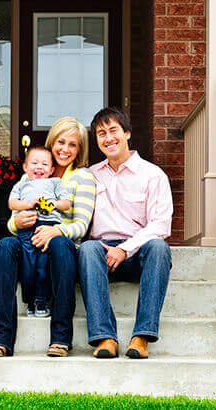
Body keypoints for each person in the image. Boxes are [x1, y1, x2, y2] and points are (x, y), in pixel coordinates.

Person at [0, 117, 95, 358]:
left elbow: (82, 226)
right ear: (52, 142)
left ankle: (60, 338)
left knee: (58, 243)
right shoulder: (33, 175)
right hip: (28, 240)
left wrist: (56, 231)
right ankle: (2, 338)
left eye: (73, 145)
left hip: (60, 247)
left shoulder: (83, 177)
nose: (65, 149)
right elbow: (14, 216)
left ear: (79, 150)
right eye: (61, 142)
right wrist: (15, 223)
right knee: (4, 245)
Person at [77, 107, 173, 359]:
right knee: (87, 249)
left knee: (159, 247)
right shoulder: (89, 176)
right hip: (101, 253)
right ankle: (105, 338)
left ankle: (141, 337)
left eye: (113, 131)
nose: (108, 138)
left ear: (127, 133)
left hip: (138, 251)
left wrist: (125, 248)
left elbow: (161, 225)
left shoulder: (153, 175)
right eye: (101, 134)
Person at [8, 146, 72, 317]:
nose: (39, 167)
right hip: (27, 229)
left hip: (48, 227)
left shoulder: (55, 182)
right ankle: (30, 300)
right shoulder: (21, 184)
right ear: (25, 167)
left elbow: (66, 203)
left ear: (51, 170)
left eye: (44, 164)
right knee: (28, 266)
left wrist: (53, 205)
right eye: (34, 163)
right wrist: (29, 205)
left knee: (43, 266)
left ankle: (42, 300)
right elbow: (12, 204)